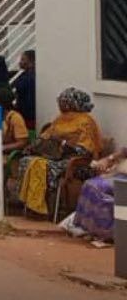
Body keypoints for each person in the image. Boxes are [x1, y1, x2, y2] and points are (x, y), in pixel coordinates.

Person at [12, 87, 102, 217]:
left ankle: (41, 207)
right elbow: (46, 136)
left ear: (71, 103)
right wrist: (34, 146)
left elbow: (85, 150)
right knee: (27, 161)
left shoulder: (86, 121)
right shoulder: (60, 118)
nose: (59, 103)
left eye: (62, 101)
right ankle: (31, 204)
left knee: (42, 166)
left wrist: (63, 144)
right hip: (56, 157)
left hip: (76, 161)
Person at [74, 147, 127, 242]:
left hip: (123, 181)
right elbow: (124, 151)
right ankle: (93, 231)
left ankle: (107, 233)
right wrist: (108, 159)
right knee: (89, 185)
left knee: (98, 189)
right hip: (120, 176)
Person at [0, 86, 28, 159]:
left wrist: (3, 148)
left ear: (0, 103)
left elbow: (22, 142)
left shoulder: (15, 118)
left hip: (9, 155)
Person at [13, 50, 37, 131]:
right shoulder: (31, 75)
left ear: (31, 61)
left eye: (23, 59)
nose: (20, 62)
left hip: (26, 114)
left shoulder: (28, 77)